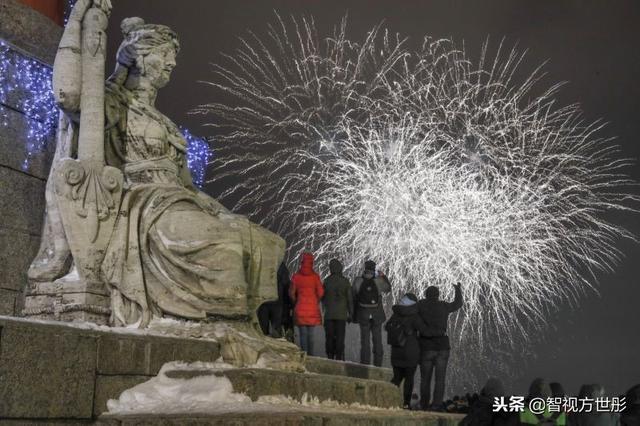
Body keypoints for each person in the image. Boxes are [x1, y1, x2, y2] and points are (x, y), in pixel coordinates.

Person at [29, 0, 285, 328]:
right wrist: (78, 17)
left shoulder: (167, 127)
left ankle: (227, 324)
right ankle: (218, 323)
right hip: (141, 205)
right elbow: (68, 94)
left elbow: (188, 186)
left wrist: (223, 211)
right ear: (141, 56)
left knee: (252, 237)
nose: (172, 63)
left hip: (178, 202)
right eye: (165, 54)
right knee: (225, 244)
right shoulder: (111, 104)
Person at [417, 282, 463, 411]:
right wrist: (458, 290)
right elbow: (457, 304)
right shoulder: (443, 306)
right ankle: (436, 405)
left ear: (426, 295)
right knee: (440, 379)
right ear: (438, 295)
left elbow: (411, 312)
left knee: (425, 379)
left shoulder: (421, 305)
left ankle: (424, 404)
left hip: (426, 346)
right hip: (442, 346)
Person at [385, 292, 433, 409]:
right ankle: (406, 403)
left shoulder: (396, 314)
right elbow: (425, 331)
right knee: (409, 379)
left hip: (396, 352)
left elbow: (386, 327)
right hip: (410, 352)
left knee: (397, 378)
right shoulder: (415, 316)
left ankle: (386, 398)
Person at [352, 260, 391, 366]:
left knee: (365, 341)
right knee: (377, 340)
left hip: (363, 314)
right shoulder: (379, 281)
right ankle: (378, 365)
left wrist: (354, 314)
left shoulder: (358, 280)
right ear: (374, 269)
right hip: (377, 315)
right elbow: (388, 289)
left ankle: (365, 364)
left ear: (365, 268)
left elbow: (354, 296)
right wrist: (383, 276)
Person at [289, 253, 324, 355]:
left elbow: (291, 293)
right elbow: (321, 292)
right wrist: (315, 300)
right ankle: (311, 356)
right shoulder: (315, 277)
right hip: (312, 308)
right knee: (311, 335)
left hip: (300, 308)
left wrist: (296, 301)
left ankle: (304, 355)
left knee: (302, 335)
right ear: (312, 263)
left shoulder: (296, 276)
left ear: (302, 262)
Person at [322, 259, 353, 360]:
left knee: (329, 336)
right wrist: (351, 314)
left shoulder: (326, 281)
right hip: (341, 315)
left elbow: (322, 297)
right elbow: (349, 299)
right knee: (340, 336)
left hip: (329, 314)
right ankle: (339, 356)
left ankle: (330, 356)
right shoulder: (345, 281)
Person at [258, 262, 291, 338]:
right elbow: (286, 283)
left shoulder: (262, 263)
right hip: (277, 301)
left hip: (263, 302)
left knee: (263, 329)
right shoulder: (281, 265)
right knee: (276, 328)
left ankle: (266, 346)